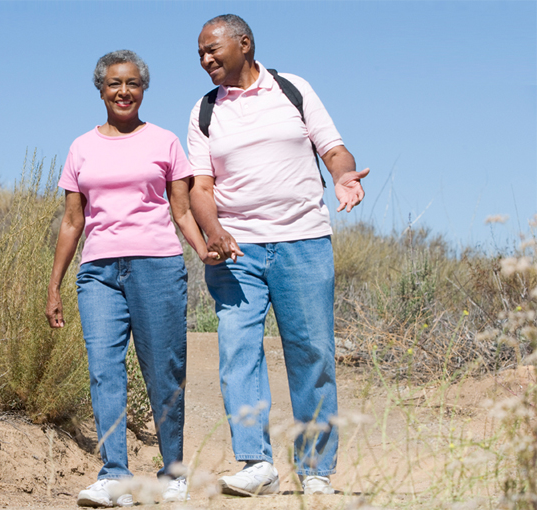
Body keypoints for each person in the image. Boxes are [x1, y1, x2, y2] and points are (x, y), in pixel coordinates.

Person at [187, 15, 369, 497]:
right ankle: (255, 463)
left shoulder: (293, 89)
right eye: (200, 54)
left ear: (244, 44)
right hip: (237, 250)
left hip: (303, 242)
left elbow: (334, 149)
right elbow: (201, 188)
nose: (205, 60)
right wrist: (214, 230)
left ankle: (315, 469)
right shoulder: (205, 111)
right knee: (237, 352)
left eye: (212, 50)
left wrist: (344, 177)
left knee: (312, 354)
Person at [46, 49, 217, 508]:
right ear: (101, 89)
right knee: (104, 371)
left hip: (156, 266)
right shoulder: (81, 147)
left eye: (133, 83)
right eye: (114, 84)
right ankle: (114, 476)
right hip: (98, 272)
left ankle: (173, 472)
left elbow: (181, 209)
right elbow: (71, 221)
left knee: (163, 371)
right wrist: (54, 285)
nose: (124, 91)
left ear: (143, 89)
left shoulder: (163, 142)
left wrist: (203, 251)